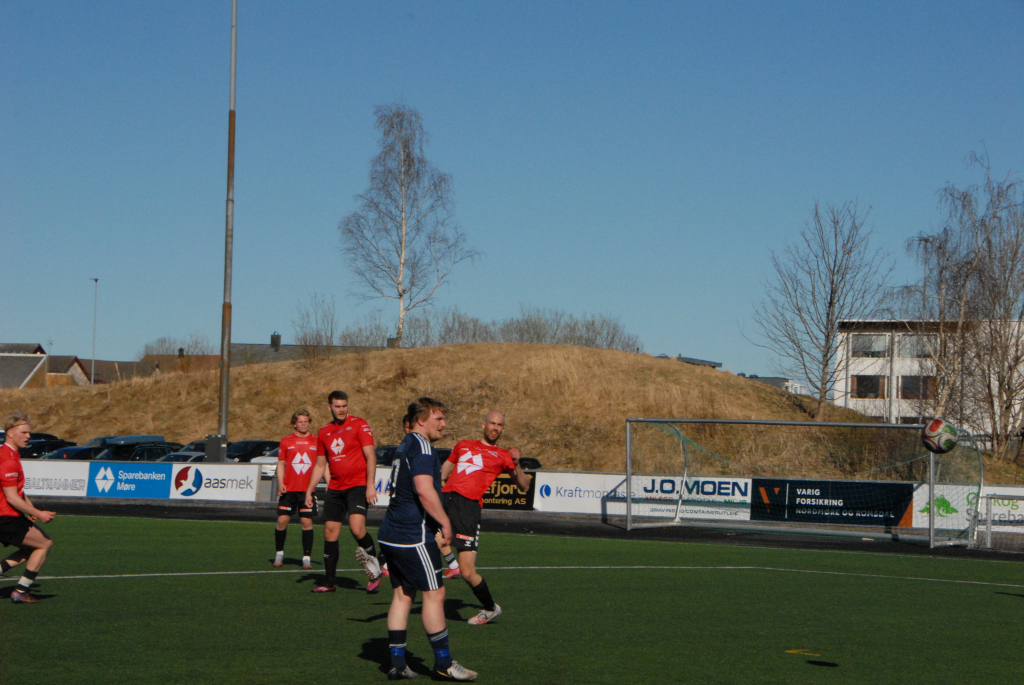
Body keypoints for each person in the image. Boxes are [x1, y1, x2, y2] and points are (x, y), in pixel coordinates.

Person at [378, 398, 477, 681]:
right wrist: (445, 521)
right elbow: (423, 489)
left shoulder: (404, 444)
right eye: (439, 418)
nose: (444, 424)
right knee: (434, 594)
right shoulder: (422, 446)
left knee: (402, 595)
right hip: (413, 535)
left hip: (390, 533)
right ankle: (444, 663)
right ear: (421, 420)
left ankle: (398, 663)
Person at [439, 411, 530, 625]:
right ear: (483, 424)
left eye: (499, 425)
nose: (495, 427)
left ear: (503, 429)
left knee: (468, 572)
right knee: (424, 532)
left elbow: (524, 486)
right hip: (446, 498)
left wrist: (517, 463)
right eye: (492, 423)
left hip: (468, 508)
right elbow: (442, 473)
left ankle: (490, 608)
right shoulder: (463, 445)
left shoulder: (503, 455)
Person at [305, 390, 382, 593]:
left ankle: (375, 565)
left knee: (356, 528)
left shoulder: (359, 424)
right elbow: (320, 465)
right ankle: (329, 582)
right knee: (329, 532)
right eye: (337, 406)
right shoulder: (324, 432)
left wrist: (370, 485)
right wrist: (309, 490)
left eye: (344, 406)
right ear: (329, 407)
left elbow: (371, 456)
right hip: (335, 488)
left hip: (358, 485)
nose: (341, 409)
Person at [0, 412, 56, 604]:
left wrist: (30, 509)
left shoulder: (8, 454)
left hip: (8, 516)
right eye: (23, 432)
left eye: (29, 432)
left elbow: (18, 491)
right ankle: (21, 591)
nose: (28, 436)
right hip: (6, 517)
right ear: (10, 433)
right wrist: (39, 513)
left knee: (30, 548)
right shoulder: (8, 459)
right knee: (44, 544)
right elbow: (12, 497)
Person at [274, 409, 321, 570]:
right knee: (282, 520)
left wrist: (330, 483)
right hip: (289, 490)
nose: (303, 424)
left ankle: (306, 557)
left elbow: (323, 464)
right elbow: (281, 463)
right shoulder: (286, 441)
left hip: (307, 491)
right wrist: (281, 482)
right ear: (294, 424)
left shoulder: (316, 441)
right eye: (300, 422)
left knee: (306, 522)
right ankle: (279, 553)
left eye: (306, 421)